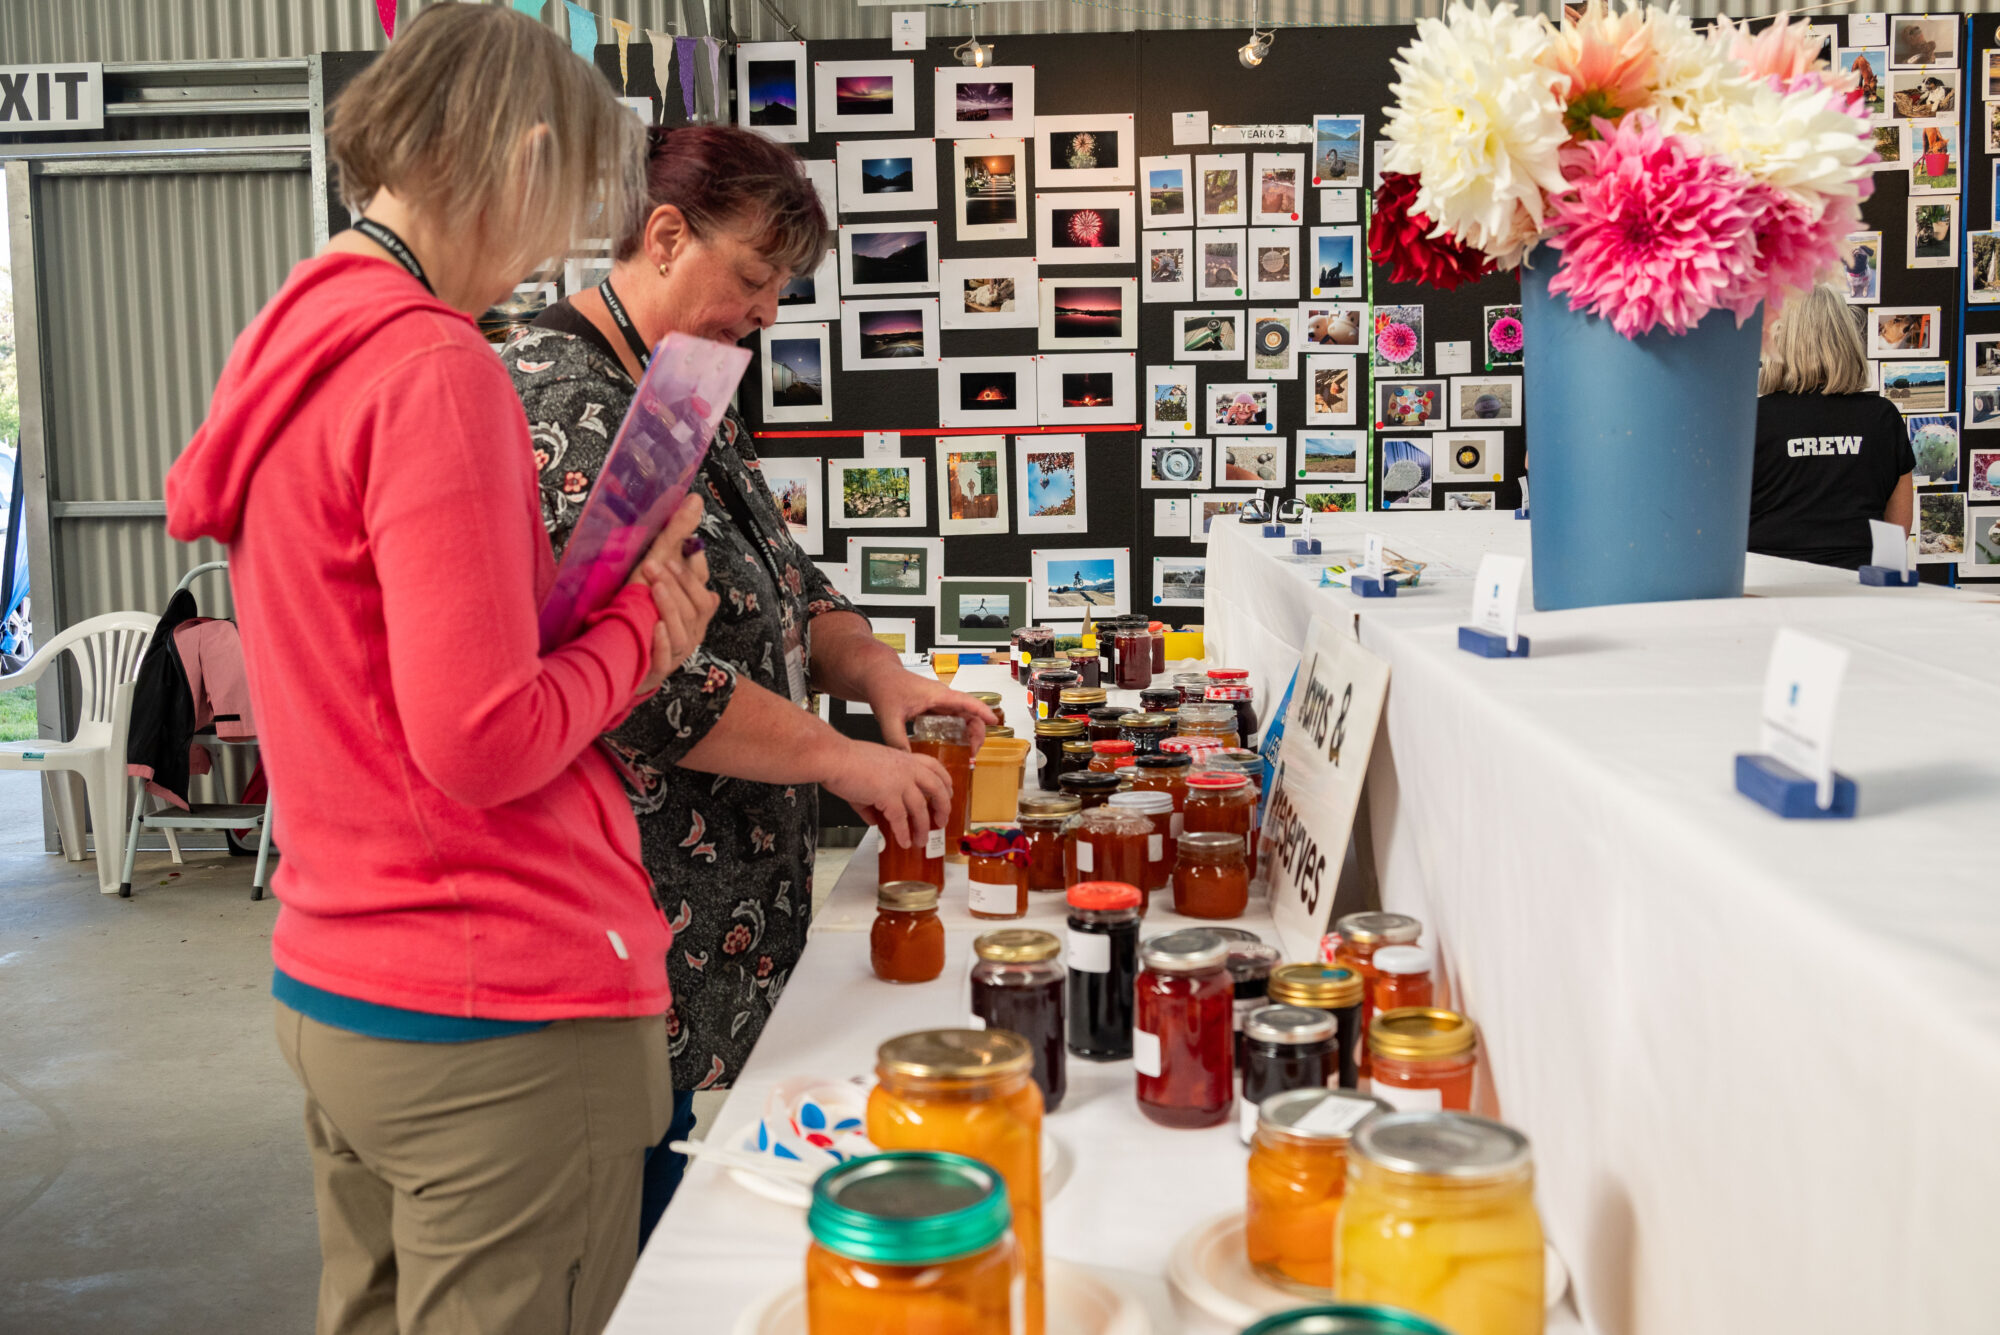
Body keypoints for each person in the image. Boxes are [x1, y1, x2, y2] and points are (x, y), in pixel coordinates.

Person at [164, 9, 719, 1333]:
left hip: (346, 971)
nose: (552, 253)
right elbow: (479, 736)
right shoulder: (431, 365)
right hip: (496, 1001)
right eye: (564, 205)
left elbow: (388, 669)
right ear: (524, 158)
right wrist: (649, 631)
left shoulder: (299, 343)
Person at [501, 123, 995, 1242]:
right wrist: (837, 757)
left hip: (695, 919)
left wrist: (876, 673)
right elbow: (643, 685)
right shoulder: (568, 403)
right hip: (617, 918)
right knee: (619, 1233)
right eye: (755, 277)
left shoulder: (676, 382)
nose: (768, 311)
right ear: (665, 235)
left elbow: (779, 574)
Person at [1750, 283, 1915, 570]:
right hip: (1859, 585)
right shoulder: (1881, 417)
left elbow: (1722, 518)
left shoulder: (1752, 419)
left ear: (1778, 340)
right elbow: (1897, 528)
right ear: (1845, 338)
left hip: (1769, 584)